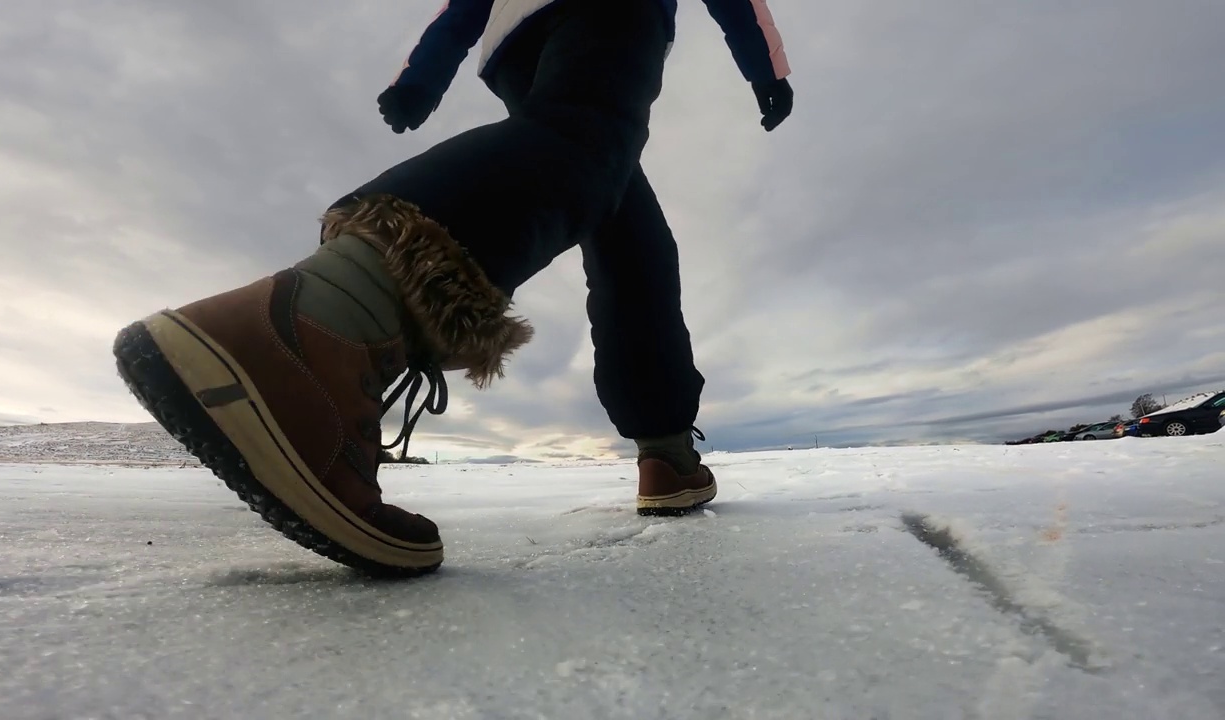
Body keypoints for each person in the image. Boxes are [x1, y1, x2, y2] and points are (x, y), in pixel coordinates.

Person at [112, 0, 793, 576]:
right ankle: (323, 323)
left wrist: (423, 78)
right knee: (584, 139)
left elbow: (464, 5)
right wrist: (768, 70)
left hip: (514, 44)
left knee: (628, 233)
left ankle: (667, 451)